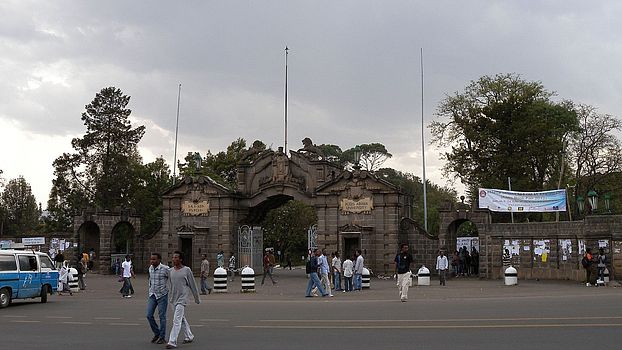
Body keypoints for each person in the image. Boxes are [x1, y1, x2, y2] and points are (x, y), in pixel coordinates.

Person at [166, 251, 200, 349]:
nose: (174, 259)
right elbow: (169, 284)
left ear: (180, 259)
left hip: (182, 299)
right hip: (173, 299)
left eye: (176, 257)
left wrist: (196, 298)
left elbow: (192, 284)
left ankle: (172, 341)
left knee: (176, 320)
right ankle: (189, 336)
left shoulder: (187, 270)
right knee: (181, 319)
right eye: (173, 257)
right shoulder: (170, 271)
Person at [147, 252, 169, 345]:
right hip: (152, 295)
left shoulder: (165, 269)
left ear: (159, 260)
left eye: (154, 259)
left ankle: (162, 337)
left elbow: (172, 279)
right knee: (149, 315)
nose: (152, 261)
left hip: (162, 295)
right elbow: (150, 280)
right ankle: (157, 333)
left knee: (162, 317)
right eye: (151, 259)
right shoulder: (150, 268)